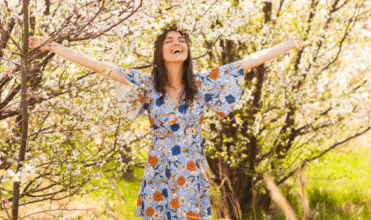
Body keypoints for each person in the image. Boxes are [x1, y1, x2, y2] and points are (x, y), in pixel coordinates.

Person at [29, 27, 301, 220]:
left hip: (191, 169)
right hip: (159, 168)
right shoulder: (146, 85)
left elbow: (246, 63)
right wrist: (51, 45)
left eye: (181, 39)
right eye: (169, 40)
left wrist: (286, 46)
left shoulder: (202, 83)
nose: (177, 42)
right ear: (160, 51)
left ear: (187, 50)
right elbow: (98, 65)